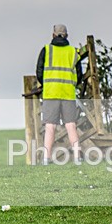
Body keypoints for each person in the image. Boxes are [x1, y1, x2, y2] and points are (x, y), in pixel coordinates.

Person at [36, 24, 86, 164]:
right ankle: (77, 157)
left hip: (51, 92)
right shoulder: (72, 51)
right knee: (71, 125)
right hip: (68, 93)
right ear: (67, 36)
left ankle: (46, 158)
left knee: (50, 126)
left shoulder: (46, 50)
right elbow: (79, 74)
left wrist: (47, 83)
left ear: (53, 35)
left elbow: (39, 72)